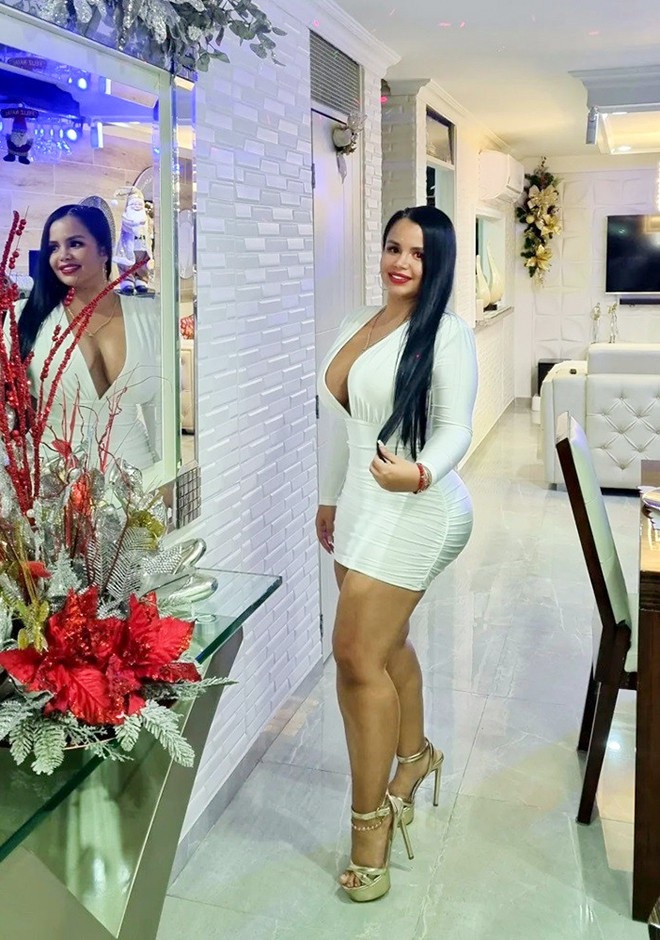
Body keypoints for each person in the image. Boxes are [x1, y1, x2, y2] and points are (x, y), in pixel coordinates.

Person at [316, 205, 478, 902]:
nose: (401, 262)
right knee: (385, 646)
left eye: (417, 252)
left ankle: (371, 825)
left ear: (437, 262)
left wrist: (418, 472)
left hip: (419, 506)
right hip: (361, 505)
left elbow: (455, 427)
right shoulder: (358, 320)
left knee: (356, 657)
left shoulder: (447, 333)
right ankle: (416, 756)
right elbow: (346, 422)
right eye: (392, 247)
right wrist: (330, 496)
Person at [15, 204, 160, 470]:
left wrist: (167, 475)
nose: (63, 256)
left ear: (104, 250)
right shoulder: (24, 317)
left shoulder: (149, 316)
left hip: (139, 474)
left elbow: (160, 408)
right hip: (52, 476)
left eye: (75, 243)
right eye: (53, 248)